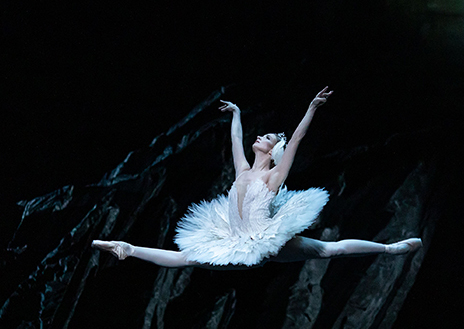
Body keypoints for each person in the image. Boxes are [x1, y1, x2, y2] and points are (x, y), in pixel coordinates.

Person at [92, 87, 422, 268]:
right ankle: (127, 248)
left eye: (266, 137)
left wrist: (311, 109)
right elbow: (235, 140)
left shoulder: (273, 176)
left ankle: (389, 248)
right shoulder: (244, 170)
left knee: (329, 250)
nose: (259, 137)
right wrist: (236, 113)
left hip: (265, 241)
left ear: (272, 149)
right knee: (184, 259)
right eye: (261, 135)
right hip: (231, 238)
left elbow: (295, 141)